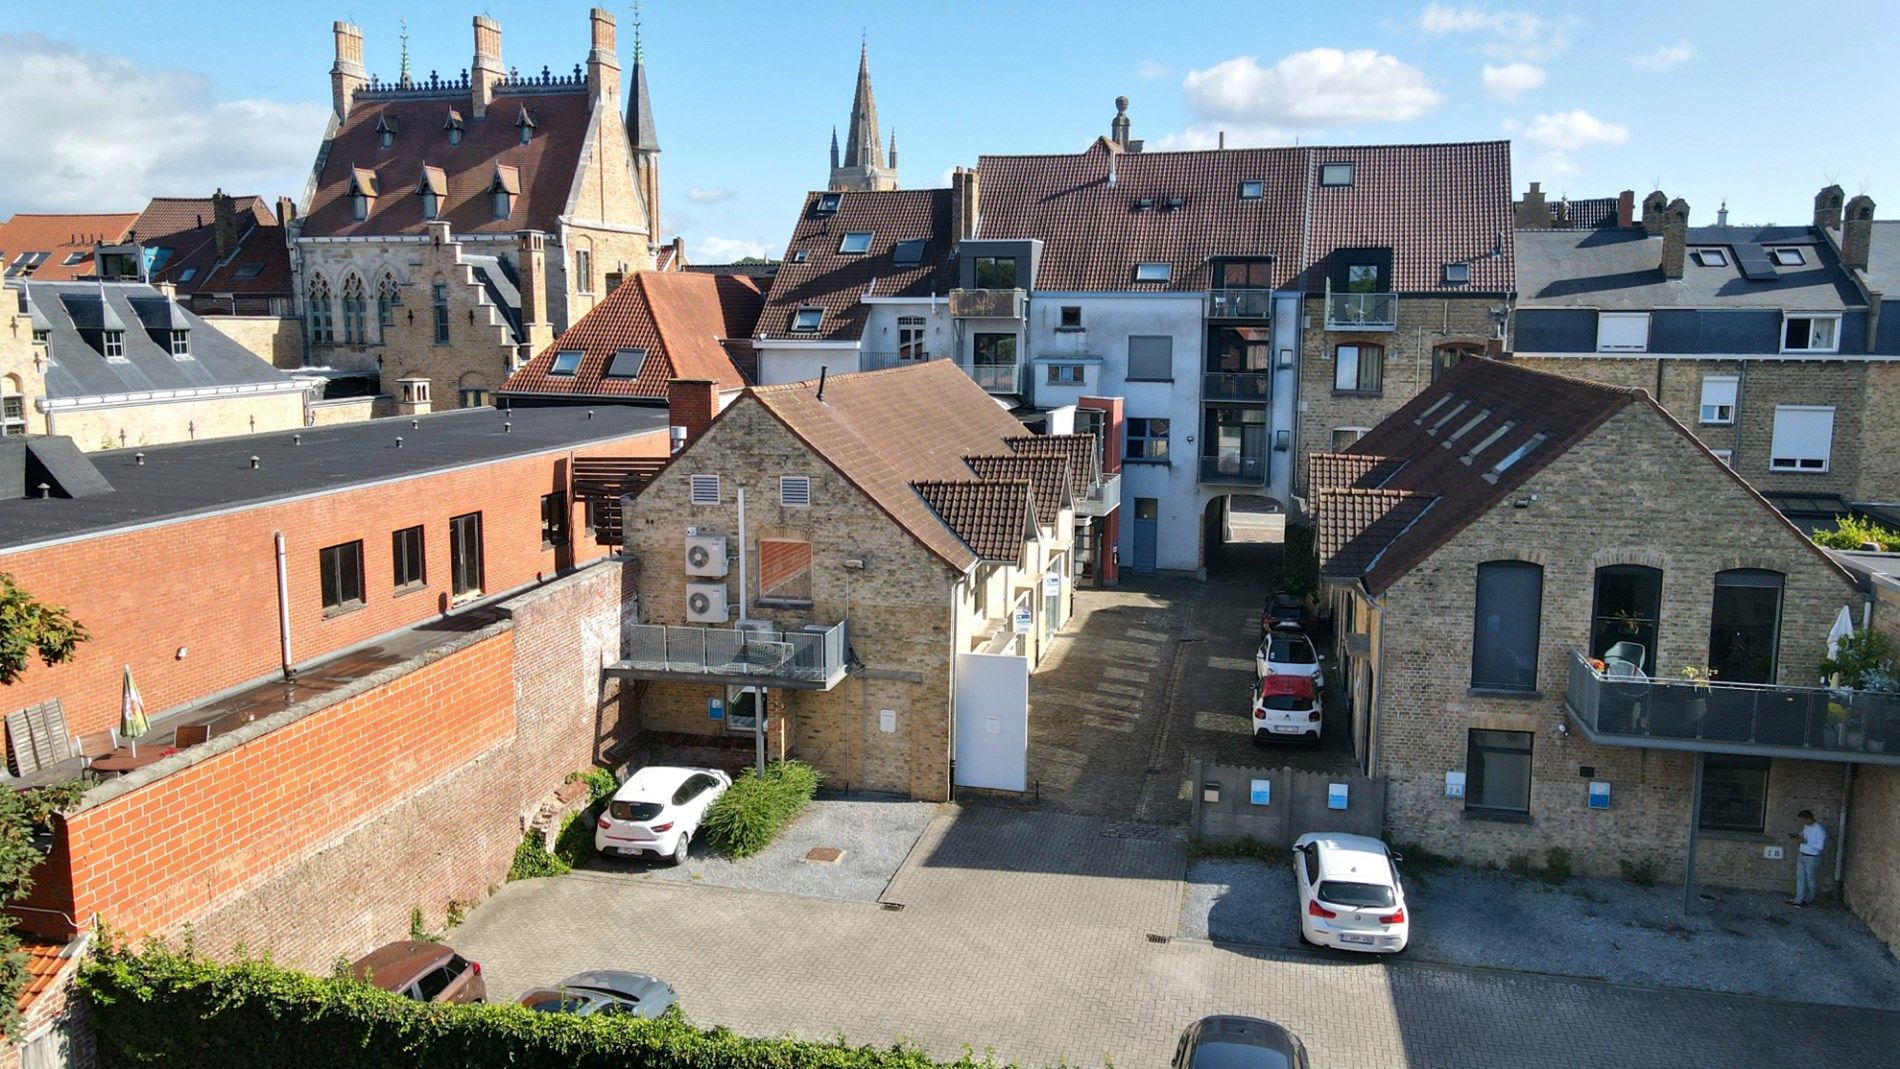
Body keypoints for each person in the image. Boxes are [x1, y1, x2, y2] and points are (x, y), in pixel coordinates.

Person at [1787, 809, 1827, 907]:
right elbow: (1804, 834)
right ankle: (1798, 899)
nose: (1803, 822)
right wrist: (1798, 835)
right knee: (1800, 877)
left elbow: (1820, 847)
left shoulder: (1820, 830)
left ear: (1809, 818)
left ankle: (1809, 899)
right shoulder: (1806, 826)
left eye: (1804, 820)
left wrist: (1806, 842)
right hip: (1802, 853)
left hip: (1812, 857)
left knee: (1810, 879)